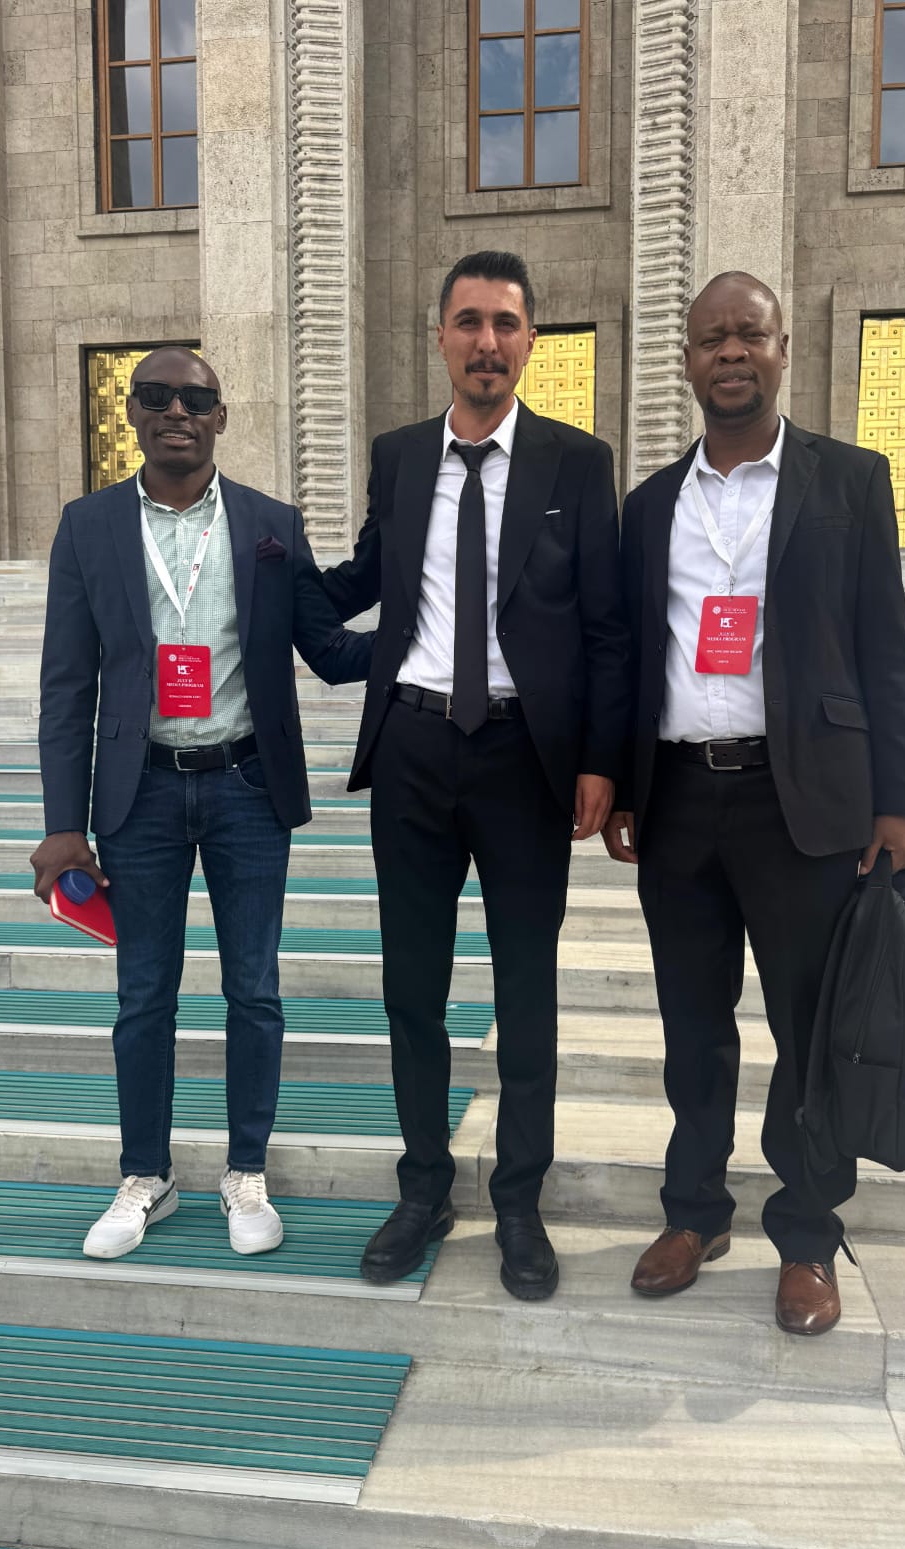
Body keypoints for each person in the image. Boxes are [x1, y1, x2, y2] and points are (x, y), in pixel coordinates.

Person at [603, 272, 905, 1335]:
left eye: (751, 334)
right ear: (688, 362)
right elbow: (630, 656)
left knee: (808, 1027)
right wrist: (623, 781)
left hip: (809, 803)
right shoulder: (652, 505)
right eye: (713, 338)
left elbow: (884, 644)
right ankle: (694, 1213)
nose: (732, 352)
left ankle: (806, 1233)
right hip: (680, 800)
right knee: (693, 1026)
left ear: (784, 350)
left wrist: (900, 800)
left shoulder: (850, 480)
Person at [321, 251, 629, 1300]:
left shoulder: (576, 464)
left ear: (530, 339)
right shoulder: (401, 456)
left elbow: (607, 628)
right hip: (412, 750)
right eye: (469, 322)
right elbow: (366, 576)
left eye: (505, 323)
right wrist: (266, 570)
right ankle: (423, 1189)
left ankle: (520, 1200)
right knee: (412, 989)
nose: (486, 342)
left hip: (522, 760)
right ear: (440, 335)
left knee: (525, 989)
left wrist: (602, 761)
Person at [31, 346, 372, 1260]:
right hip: (137, 793)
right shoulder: (88, 526)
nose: (176, 411)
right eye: (156, 396)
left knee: (253, 989)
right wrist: (64, 823)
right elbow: (67, 684)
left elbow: (329, 650)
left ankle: (245, 1171)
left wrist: (436, 629)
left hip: (247, 787)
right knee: (144, 995)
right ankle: (146, 1174)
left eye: (196, 398)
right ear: (132, 414)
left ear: (222, 416)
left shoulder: (270, 524)